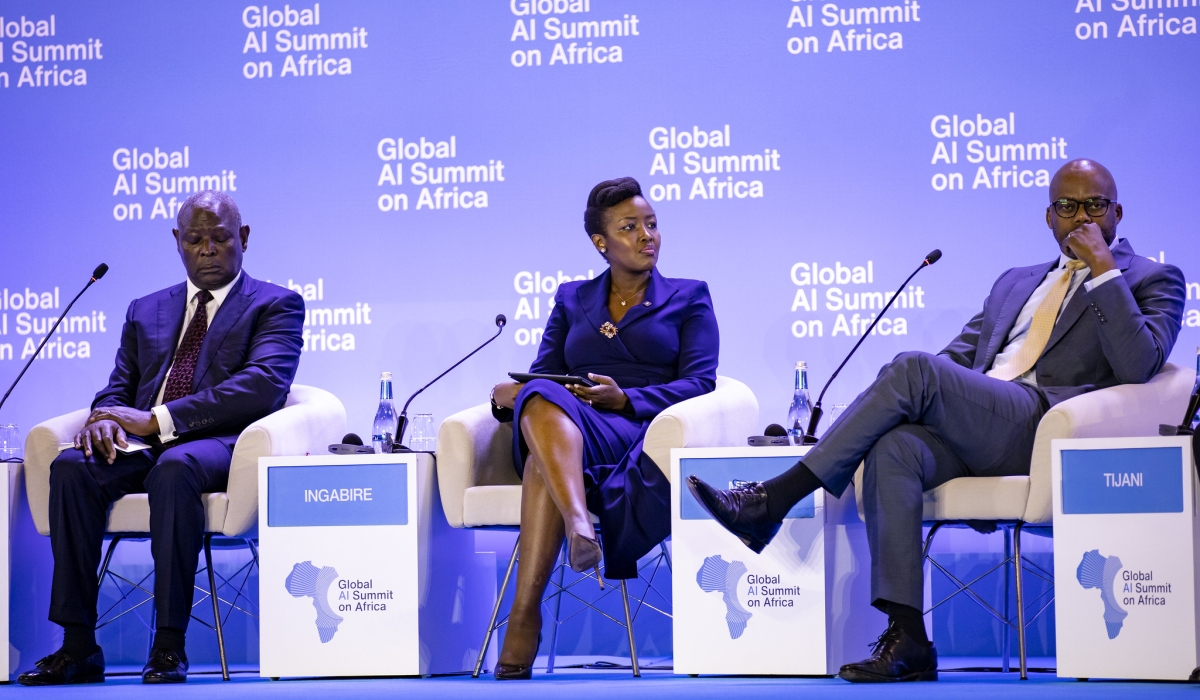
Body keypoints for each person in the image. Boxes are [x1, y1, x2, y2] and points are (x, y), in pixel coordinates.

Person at [687, 159, 1185, 683]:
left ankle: (774, 499)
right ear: (1048, 218)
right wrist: (921, 392)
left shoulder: (1151, 278)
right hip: (979, 423)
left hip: (1041, 427)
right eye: (1067, 207)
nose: (1080, 218)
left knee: (913, 368)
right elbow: (954, 361)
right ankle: (909, 640)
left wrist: (1103, 270)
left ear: (1117, 212)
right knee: (893, 447)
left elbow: (1139, 365)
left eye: (1094, 206)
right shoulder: (1015, 283)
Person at [17, 191, 305, 686]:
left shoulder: (275, 303)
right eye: (195, 239)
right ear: (178, 242)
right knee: (69, 467)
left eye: (220, 238)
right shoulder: (145, 309)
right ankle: (78, 645)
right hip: (145, 442)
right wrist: (103, 418)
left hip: (221, 442)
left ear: (244, 238)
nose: (208, 249)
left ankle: (169, 645)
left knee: (175, 469)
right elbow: (118, 386)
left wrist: (159, 420)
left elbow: (262, 384)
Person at [488, 177, 719, 680]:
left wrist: (628, 398)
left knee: (539, 470)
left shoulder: (689, 297)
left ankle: (525, 614)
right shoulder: (572, 299)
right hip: (569, 424)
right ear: (601, 242)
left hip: (636, 433)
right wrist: (512, 393)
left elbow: (702, 383)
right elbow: (544, 372)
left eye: (652, 225)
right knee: (540, 394)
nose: (647, 236)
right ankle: (579, 525)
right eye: (630, 227)